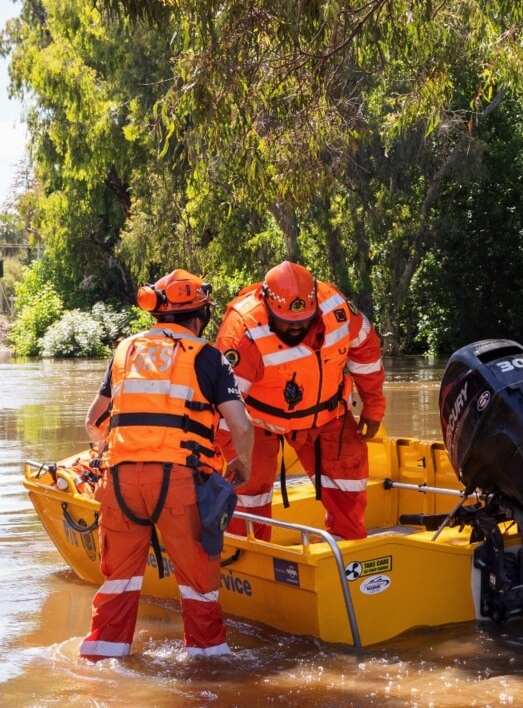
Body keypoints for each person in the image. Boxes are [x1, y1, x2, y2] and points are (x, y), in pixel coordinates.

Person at [81, 269, 255, 660]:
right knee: (199, 588)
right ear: (200, 316)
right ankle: (208, 670)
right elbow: (241, 425)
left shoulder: (124, 350)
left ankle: (101, 665)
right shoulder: (208, 357)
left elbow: (93, 421)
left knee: (118, 585)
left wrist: (108, 454)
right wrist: (241, 465)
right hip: (180, 482)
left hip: (120, 483)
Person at [215, 261, 385, 541]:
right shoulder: (243, 329)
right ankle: (248, 554)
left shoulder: (337, 309)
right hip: (256, 422)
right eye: (286, 322)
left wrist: (374, 407)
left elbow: (366, 352)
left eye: (303, 321)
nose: (295, 328)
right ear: (267, 306)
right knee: (246, 491)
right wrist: (229, 457)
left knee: (349, 479)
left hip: (328, 413)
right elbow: (222, 406)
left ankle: (349, 550)